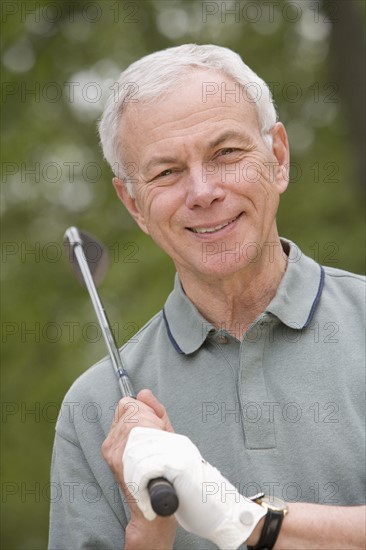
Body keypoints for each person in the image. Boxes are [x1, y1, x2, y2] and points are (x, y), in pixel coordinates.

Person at [49, 44, 365, 549]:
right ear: (134, 203)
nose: (202, 191)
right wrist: (148, 533)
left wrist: (239, 518)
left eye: (226, 153)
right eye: (167, 172)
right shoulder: (94, 410)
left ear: (277, 158)